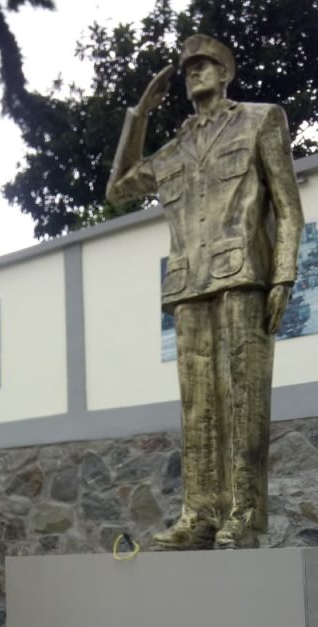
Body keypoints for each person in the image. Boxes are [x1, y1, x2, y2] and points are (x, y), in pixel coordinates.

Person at [106, 35, 304, 549]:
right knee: (197, 406)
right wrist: (138, 116)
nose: (194, 72)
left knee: (243, 397)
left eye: (205, 64)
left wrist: (284, 274)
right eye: (189, 67)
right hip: (188, 285)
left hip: (242, 275)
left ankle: (244, 514)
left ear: (225, 72)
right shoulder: (174, 150)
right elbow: (119, 187)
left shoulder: (261, 119)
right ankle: (199, 515)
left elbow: (288, 206)